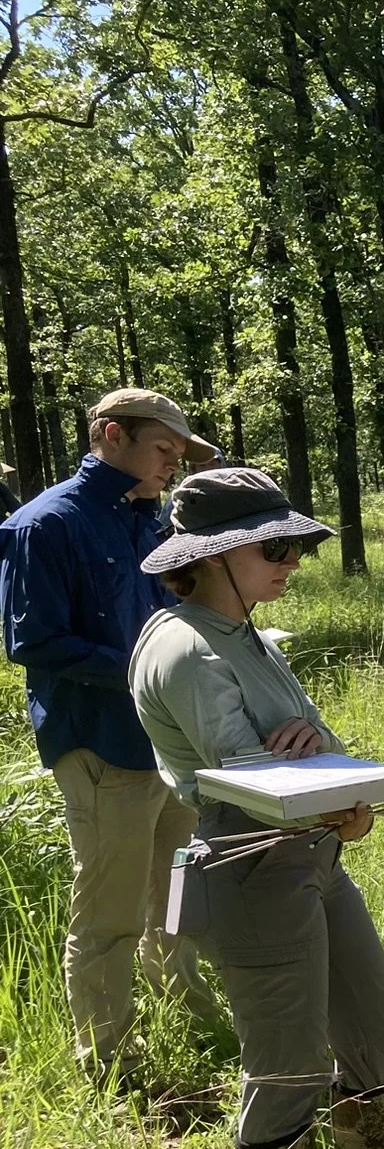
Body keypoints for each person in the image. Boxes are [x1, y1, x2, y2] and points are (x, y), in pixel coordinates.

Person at [128, 466, 384, 1149]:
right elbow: (257, 785)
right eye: (275, 547)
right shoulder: (187, 650)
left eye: (298, 547)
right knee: (286, 1068)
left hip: (314, 860)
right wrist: (314, 778)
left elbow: (321, 749)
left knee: (373, 1025)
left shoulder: (246, 633)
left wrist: (345, 808)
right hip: (252, 873)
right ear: (212, 555)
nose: (291, 562)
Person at [0, 389, 220, 1079]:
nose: (170, 467)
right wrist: (138, 670)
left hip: (171, 744)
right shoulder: (47, 524)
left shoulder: (153, 525)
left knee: (180, 889)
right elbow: (32, 641)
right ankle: (110, 1059)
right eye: (163, 450)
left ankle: (185, 1011)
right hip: (102, 744)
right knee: (110, 908)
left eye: (179, 457)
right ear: (111, 434)